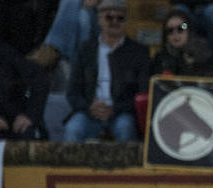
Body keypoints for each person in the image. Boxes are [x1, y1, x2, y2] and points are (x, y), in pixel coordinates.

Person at [62, 0, 149, 142]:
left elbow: (142, 94)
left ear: (126, 21)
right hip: (89, 112)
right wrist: (90, 107)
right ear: (99, 19)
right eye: (109, 17)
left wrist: (115, 108)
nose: (114, 21)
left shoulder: (139, 52)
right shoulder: (85, 50)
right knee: (73, 129)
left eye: (120, 18)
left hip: (122, 113)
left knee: (125, 128)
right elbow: (72, 92)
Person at [150, 7, 213, 77]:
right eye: (170, 30)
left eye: (181, 28)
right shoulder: (161, 58)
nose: (175, 33)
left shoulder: (205, 53)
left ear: (189, 30)